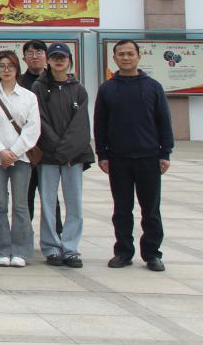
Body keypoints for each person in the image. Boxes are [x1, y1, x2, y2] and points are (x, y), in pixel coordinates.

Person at [94, 40, 173, 272]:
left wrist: (165, 153)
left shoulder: (153, 87)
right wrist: (102, 154)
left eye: (130, 54)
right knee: (121, 209)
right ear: (114, 58)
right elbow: (100, 123)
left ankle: (152, 254)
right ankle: (123, 252)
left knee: (151, 210)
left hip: (149, 157)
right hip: (118, 158)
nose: (126, 58)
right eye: (121, 54)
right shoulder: (107, 88)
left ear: (139, 56)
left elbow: (164, 121)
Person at [33, 42, 93, 269]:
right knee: (48, 203)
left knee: (74, 202)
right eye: (55, 57)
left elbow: (81, 125)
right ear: (48, 60)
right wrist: (56, 147)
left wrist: (66, 150)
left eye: (63, 57)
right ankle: (51, 247)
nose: (59, 61)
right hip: (48, 155)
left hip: (73, 157)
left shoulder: (78, 89)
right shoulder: (39, 87)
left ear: (69, 60)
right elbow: (39, 119)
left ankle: (70, 248)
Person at [0, 50, 40, 268]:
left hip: (21, 158)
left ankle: (21, 250)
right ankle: (1, 250)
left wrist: (14, 151)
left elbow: (33, 129)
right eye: (2, 66)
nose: (6, 70)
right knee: (0, 204)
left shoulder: (29, 97)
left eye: (10, 66)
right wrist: (1, 152)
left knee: (20, 204)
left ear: (17, 69)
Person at [20, 40, 48, 223]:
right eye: (30, 53)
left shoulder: (54, 80)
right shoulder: (19, 82)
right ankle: (25, 233)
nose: (34, 56)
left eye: (39, 52)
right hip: (25, 149)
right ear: (24, 58)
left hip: (48, 147)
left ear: (46, 56)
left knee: (50, 196)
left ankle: (56, 233)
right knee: (25, 195)